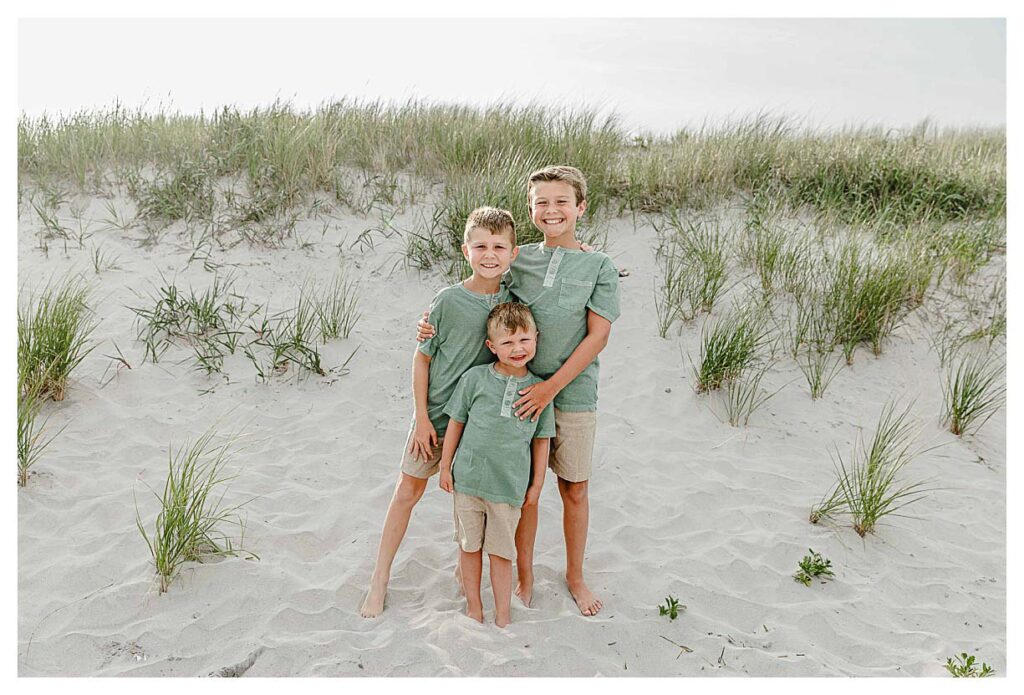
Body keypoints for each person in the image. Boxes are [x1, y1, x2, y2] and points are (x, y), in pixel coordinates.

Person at [419, 165, 621, 616]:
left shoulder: (599, 265)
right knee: (522, 490)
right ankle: (524, 573)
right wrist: (429, 324)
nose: (552, 210)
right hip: (514, 391)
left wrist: (550, 387)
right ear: (531, 210)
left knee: (574, 489)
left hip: (570, 394)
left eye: (562, 202)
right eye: (542, 203)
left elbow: (598, 336)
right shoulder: (519, 258)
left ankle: (575, 577)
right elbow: (483, 291)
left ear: (580, 207)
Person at [360, 207, 518, 618]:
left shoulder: (512, 297)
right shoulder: (448, 300)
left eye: (499, 247)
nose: (489, 254)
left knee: (466, 498)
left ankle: (461, 572)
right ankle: (379, 580)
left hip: (479, 423)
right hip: (436, 415)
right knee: (407, 492)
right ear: (466, 250)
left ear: (512, 253)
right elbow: (422, 358)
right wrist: (422, 416)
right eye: (480, 246)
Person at [438, 302, 554, 627]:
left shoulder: (541, 390)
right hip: (468, 482)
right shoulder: (474, 379)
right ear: (491, 346)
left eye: (524, 340)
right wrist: (446, 466)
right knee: (469, 547)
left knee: (502, 553)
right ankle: (474, 607)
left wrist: (538, 483)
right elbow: (456, 423)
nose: (517, 349)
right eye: (507, 342)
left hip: (508, 487)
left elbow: (541, 440)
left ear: (536, 339)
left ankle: (503, 614)